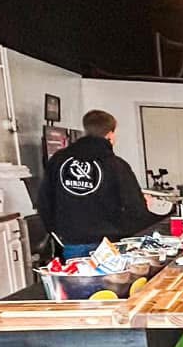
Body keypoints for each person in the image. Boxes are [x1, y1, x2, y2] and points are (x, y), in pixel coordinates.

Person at [39, 110, 158, 256]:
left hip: (72, 242)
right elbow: (134, 207)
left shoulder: (57, 160)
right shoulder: (116, 165)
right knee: (111, 279)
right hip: (110, 244)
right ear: (110, 134)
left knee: (79, 278)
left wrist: (56, 232)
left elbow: (44, 201)